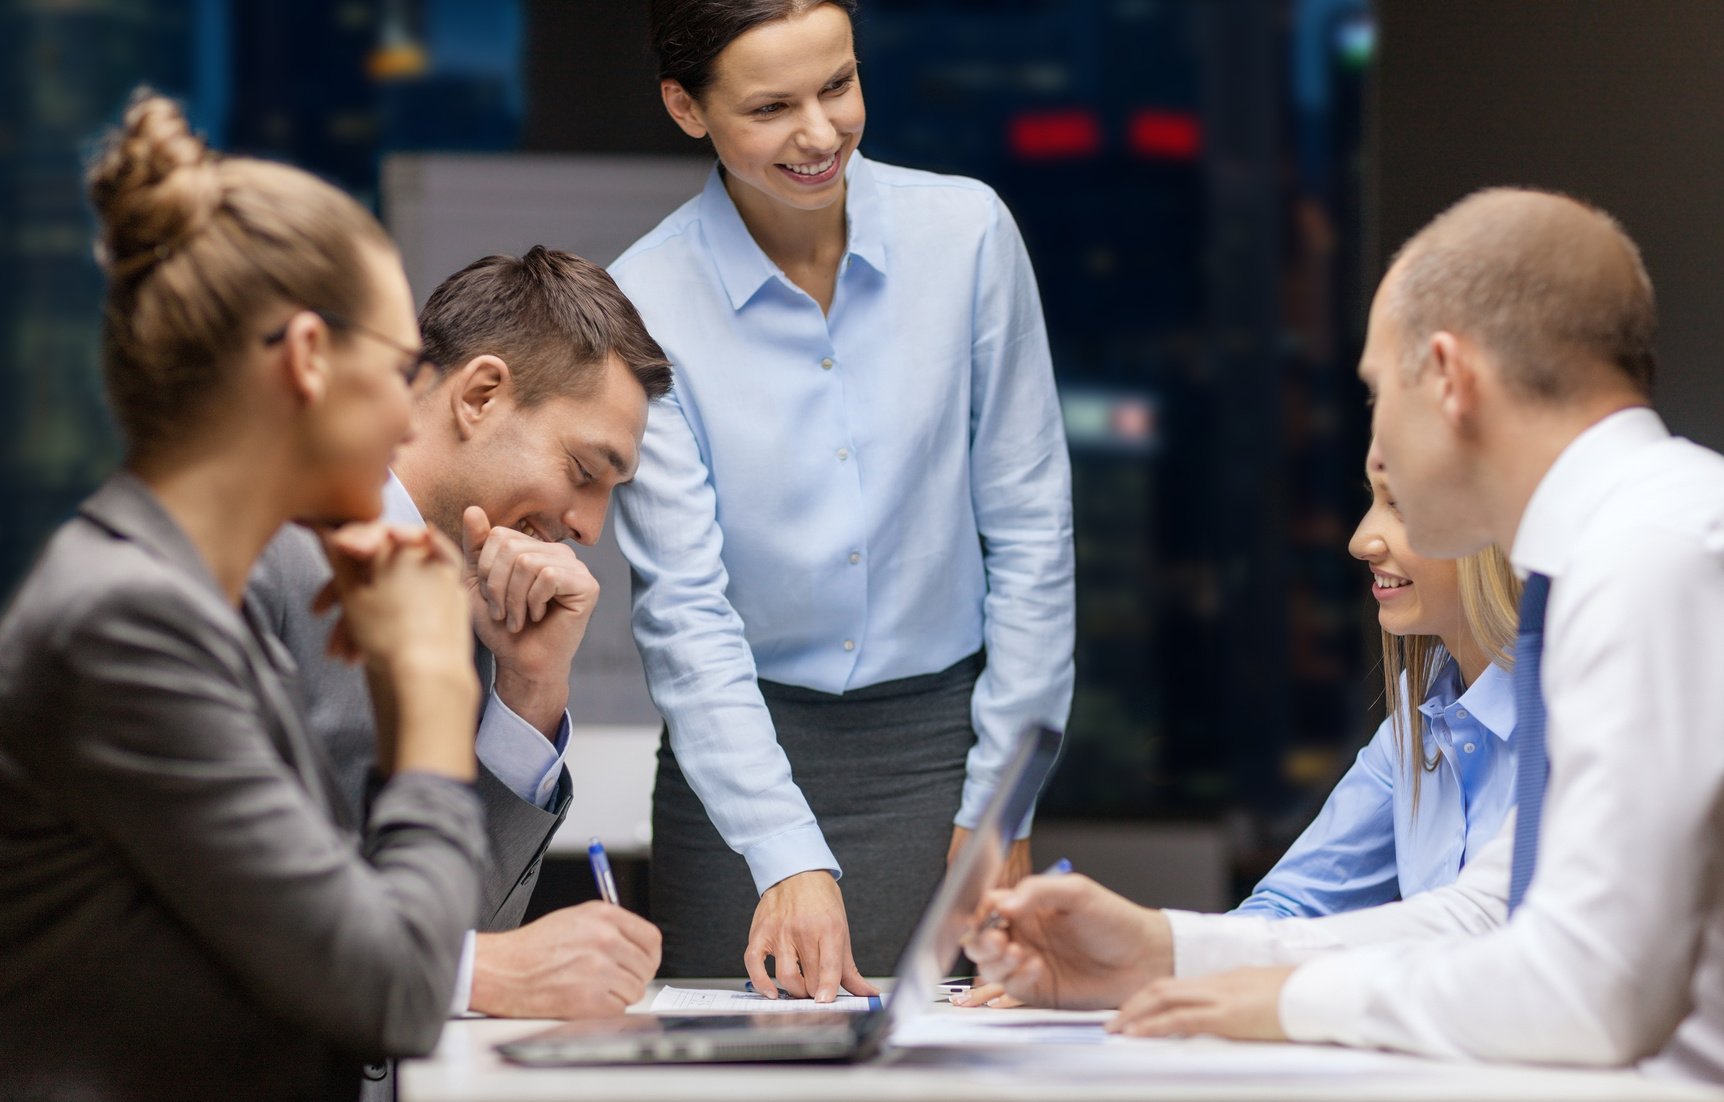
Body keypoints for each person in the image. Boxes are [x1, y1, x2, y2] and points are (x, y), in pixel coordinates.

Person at [972, 188, 1724, 1085]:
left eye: (1376, 392)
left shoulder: (1650, 556)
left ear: (1449, 378)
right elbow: (1491, 908)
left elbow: (1587, 989)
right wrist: (1160, 950)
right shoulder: (1643, 536)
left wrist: (1283, 1005)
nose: (1374, 448)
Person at [0, 92, 483, 1101]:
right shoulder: (125, 622)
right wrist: (433, 685)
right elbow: (392, 991)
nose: (409, 414)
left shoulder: (183, 603)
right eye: (401, 369)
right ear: (307, 357)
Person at [609, 0, 1075, 998]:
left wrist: (1003, 801)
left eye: (837, 84)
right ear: (685, 108)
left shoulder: (966, 236)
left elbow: (1031, 531)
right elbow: (683, 606)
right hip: (735, 760)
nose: (819, 133)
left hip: (941, 756)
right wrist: (779, 847)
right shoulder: (642, 301)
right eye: (771, 106)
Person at [245, 248, 669, 1096]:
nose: (590, 526)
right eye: (585, 472)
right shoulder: (259, 549)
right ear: (479, 395)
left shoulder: (477, 598)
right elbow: (213, 901)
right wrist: (487, 975)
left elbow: (457, 920)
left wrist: (531, 693)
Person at [955, 443, 1520, 1007]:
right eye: (1373, 501)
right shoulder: (1417, 718)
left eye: (1400, 505)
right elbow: (1290, 907)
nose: (1360, 541)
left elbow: (1488, 937)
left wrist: (1151, 954)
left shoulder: (1575, 715)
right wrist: (1124, 971)